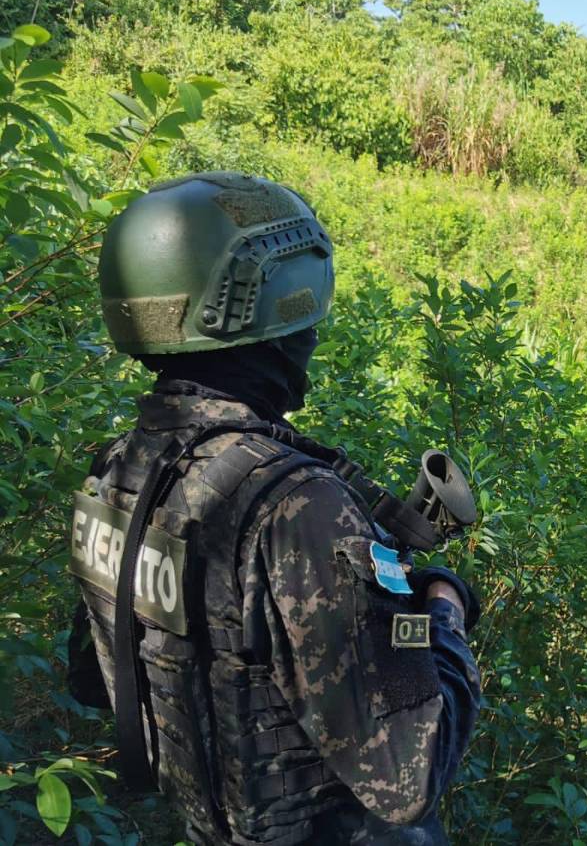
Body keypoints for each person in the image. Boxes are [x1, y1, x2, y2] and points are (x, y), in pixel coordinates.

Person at [66, 172, 481, 845]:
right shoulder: (296, 506)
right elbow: (408, 777)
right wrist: (440, 613)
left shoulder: (118, 471)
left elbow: (99, 678)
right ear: (271, 315)